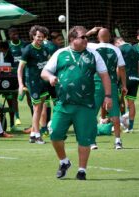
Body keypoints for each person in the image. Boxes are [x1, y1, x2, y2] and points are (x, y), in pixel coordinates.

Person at [41, 26, 112, 180]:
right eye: (83, 37)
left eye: (87, 37)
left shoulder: (94, 54)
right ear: (73, 39)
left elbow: (105, 75)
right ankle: (64, 161)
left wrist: (108, 96)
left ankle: (82, 171)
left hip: (85, 105)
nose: (86, 40)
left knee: (85, 138)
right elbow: (44, 72)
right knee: (55, 135)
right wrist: (50, 77)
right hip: (63, 104)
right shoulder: (60, 53)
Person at [86, 27, 127, 150]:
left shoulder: (92, 47)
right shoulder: (116, 49)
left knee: (92, 113)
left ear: (98, 37)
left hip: (97, 83)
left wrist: (91, 32)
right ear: (109, 37)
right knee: (114, 112)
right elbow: (122, 68)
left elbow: (78, 40)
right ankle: (118, 141)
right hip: (112, 83)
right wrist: (124, 85)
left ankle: (92, 142)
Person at [17, 25, 49, 144]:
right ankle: (36, 135)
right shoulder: (28, 49)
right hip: (33, 82)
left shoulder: (45, 49)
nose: (40, 39)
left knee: (40, 109)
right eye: (38, 36)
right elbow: (20, 69)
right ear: (33, 36)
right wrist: (21, 84)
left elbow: (49, 64)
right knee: (36, 109)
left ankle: (32, 134)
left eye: (42, 37)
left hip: (43, 82)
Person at [114, 37, 139, 133]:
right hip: (135, 78)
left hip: (125, 78)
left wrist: (116, 80)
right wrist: (138, 76)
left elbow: (119, 67)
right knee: (131, 103)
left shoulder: (120, 49)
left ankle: (122, 120)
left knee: (120, 100)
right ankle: (130, 127)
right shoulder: (135, 49)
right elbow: (138, 65)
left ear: (118, 42)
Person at [8, 27, 29, 126]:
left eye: (16, 32)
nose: (15, 35)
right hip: (13, 75)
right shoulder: (8, 46)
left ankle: (34, 119)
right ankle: (17, 117)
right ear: (9, 35)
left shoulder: (24, 44)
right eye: (13, 33)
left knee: (30, 96)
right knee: (14, 96)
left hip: (25, 74)